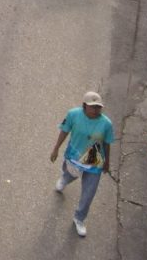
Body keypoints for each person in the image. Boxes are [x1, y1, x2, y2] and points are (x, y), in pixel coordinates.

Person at [50, 91, 116, 238]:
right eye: (92, 106)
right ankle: (64, 179)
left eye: (98, 107)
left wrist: (107, 162)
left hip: (94, 162)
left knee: (88, 194)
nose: (96, 110)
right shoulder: (73, 114)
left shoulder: (106, 124)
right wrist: (56, 148)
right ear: (84, 105)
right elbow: (64, 131)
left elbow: (107, 143)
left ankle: (79, 218)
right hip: (75, 157)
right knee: (69, 175)